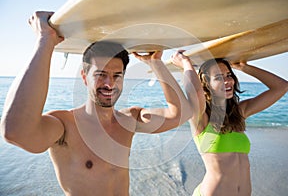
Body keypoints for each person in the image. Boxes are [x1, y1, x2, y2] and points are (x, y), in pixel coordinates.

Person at [0, 11, 192, 196]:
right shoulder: (65, 126)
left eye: (117, 76)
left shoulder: (129, 120)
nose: (109, 84)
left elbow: (181, 114)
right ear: (84, 77)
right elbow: (15, 131)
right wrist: (45, 41)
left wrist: (155, 63)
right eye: (101, 75)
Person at [170, 51, 288, 196]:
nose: (227, 81)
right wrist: (186, 64)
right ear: (206, 84)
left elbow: (282, 87)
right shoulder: (201, 117)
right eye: (219, 78)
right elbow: (194, 93)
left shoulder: (239, 113)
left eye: (229, 75)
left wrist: (244, 67)